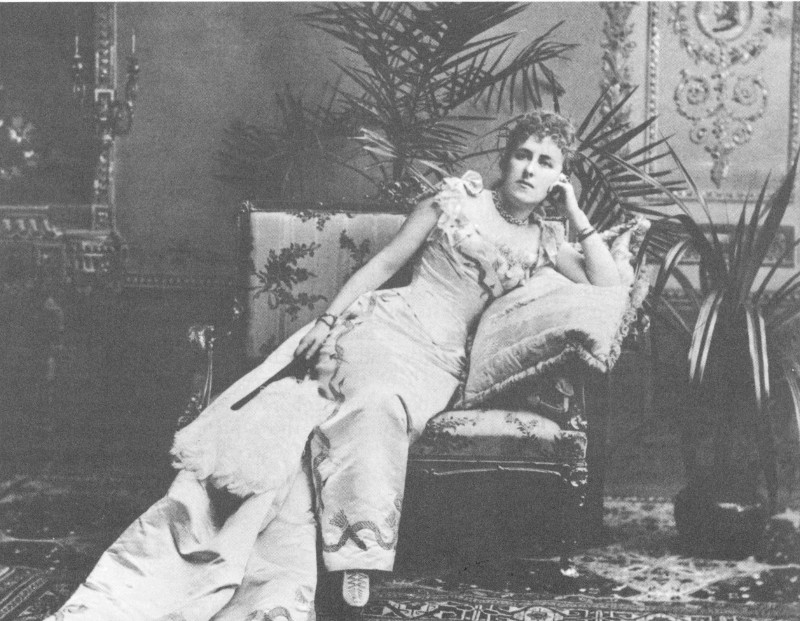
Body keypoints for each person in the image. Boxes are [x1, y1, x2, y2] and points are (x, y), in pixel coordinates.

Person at [47, 110, 620, 621]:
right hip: (387, 327)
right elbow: (384, 263)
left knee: (385, 406)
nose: (529, 169)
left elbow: (609, 284)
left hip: (443, 361)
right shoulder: (455, 200)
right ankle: (356, 561)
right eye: (523, 154)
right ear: (505, 158)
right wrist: (327, 321)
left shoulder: (547, 241)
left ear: (558, 177)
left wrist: (574, 212)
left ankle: (347, 549)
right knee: (370, 399)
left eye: (546, 163)